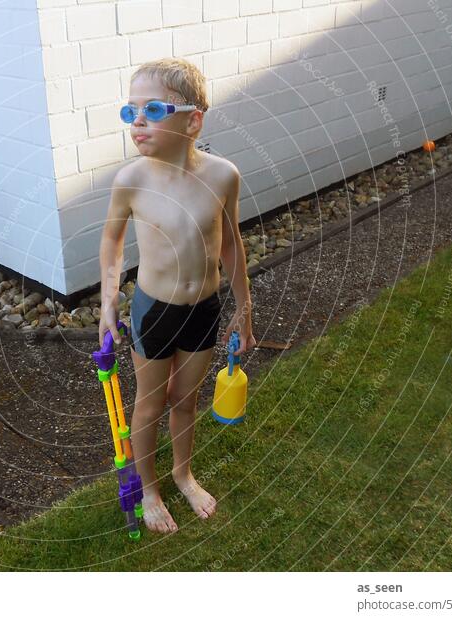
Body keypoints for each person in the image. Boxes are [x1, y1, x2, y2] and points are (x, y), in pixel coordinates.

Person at [99, 58, 256, 534]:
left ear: (193, 119)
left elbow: (230, 243)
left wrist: (244, 310)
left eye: (151, 109)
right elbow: (111, 241)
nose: (137, 122)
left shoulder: (224, 176)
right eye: (130, 113)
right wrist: (108, 301)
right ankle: (149, 488)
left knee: (185, 399)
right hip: (154, 311)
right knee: (150, 402)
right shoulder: (132, 180)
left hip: (204, 310)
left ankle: (183, 474)